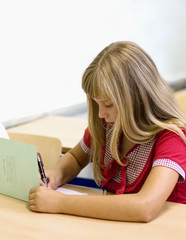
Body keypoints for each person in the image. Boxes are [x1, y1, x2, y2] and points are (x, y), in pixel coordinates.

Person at [29, 41, 186, 222]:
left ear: (138, 99)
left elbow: (145, 207)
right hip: (117, 226)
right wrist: (57, 175)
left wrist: (61, 203)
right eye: (97, 104)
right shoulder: (108, 126)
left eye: (108, 105)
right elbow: (77, 157)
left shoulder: (171, 138)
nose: (101, 114)